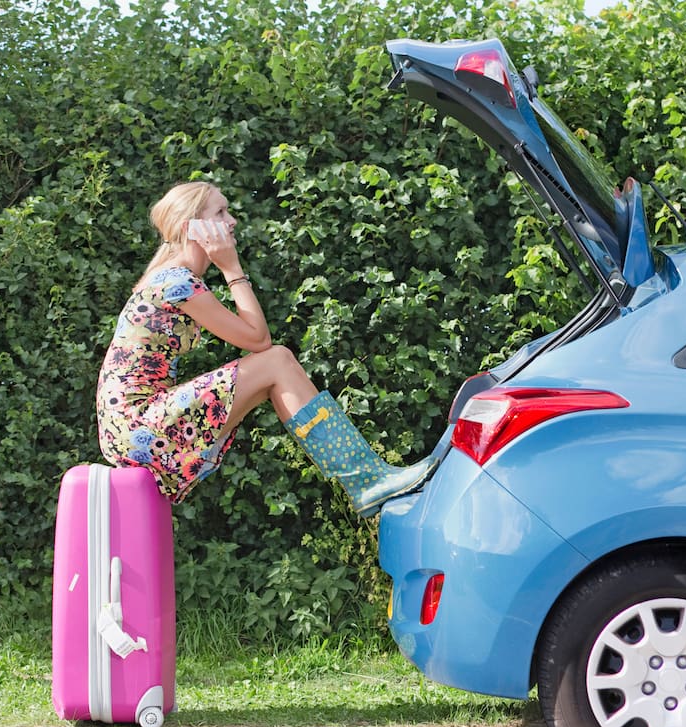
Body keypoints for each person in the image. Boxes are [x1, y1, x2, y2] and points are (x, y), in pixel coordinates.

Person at [96, 181, 434, 515]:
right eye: (221, 212)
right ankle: (365, 480)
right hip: (138, 426)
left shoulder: (172, 278)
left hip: (132, 428)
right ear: (193, 228)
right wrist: (232, 269)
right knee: (276, 361)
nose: (232, 221)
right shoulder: (175, 282)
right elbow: (259, 340)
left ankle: (364, 480)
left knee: (274, 371)